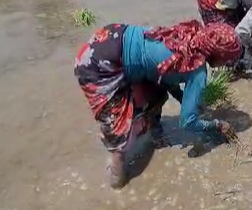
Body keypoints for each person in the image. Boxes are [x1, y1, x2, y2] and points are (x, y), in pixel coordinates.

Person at [74, 21, 242, 189]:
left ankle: (154, 131)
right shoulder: (198, 72)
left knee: (156, 94)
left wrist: (186, 100)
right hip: (97, 66)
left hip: (110, 38)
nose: (226, 64)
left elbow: (166, 74)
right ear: (219, 54)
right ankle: (117, 179)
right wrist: (217, 125)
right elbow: (187, 122)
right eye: (227, 59)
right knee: (120, 134)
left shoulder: (189, 35)